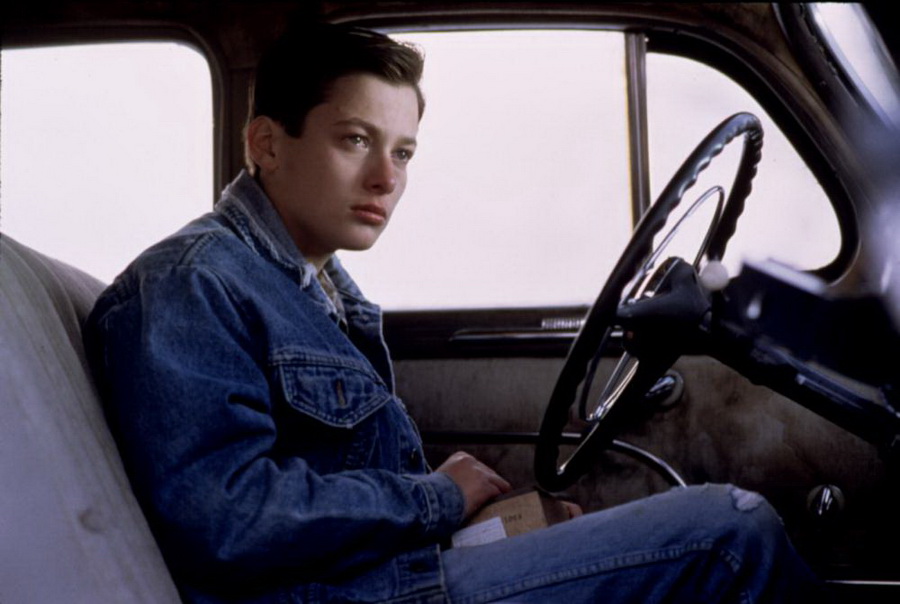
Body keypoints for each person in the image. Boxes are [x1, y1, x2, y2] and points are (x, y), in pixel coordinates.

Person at [85, 22, 830, 603]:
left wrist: (482, 529)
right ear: (267, 145)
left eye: (404, 153)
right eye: (355, 140)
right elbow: (227, 519)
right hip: (341, 596)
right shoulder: (191, 284)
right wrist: (437, 499)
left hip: (381, 574)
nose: (386, 178)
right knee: (730, 534)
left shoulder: (319, 289)